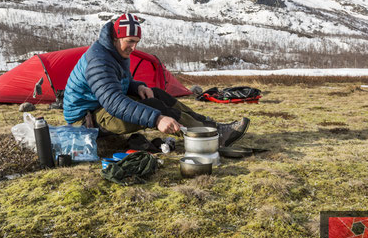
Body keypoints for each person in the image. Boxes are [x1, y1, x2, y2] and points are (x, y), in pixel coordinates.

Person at [63, 13, 249, 147]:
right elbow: (114, 103)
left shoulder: (117, 52)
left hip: (100, 107)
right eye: (130, 41)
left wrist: (137, 87)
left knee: (158, 94)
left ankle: (210, 127)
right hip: (86, 120)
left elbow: (119, 82)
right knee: (154, 107)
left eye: (137, 42)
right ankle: (205, 138)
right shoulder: (99, 61)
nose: (134, 47)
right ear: (116, 37)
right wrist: (157, 119)